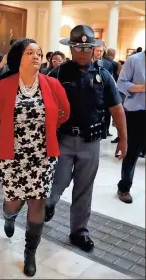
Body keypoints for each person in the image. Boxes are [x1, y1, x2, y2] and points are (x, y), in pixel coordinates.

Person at [0, 38, 70, 277]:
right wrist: (9, 128)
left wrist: (47, 127)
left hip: (43, 156)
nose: (36, 56)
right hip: (12, 156)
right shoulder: (4, 85)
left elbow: (64, 113)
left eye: (38, 52)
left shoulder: (52, 84)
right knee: (14, 201)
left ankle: (30, 252)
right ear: (18, 57)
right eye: (30, 52)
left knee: (37, 201)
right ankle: (9, 216)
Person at [45, 25, 127, 252]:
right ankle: (49, 205)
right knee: (58, 183)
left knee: (84, 189)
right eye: (78, 47)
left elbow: (117, 108)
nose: (83, 52)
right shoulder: (57, 74)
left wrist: (123, 138)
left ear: (93, 49)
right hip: (63, 141)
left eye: (87, 48)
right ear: (71, 49)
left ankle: (79, 231)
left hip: (91, 143)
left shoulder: (103, 75)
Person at [116, 50, 145, 203]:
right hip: (138, 114)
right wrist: (142, 87)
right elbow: (121, 83)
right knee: (132, 153)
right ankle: (124, 187)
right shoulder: (134, 60)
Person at [93, 45, 114, 136]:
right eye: (97, 50)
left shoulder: (107, 64)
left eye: (101, 51)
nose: (99, 53)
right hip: (91, 91)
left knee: (106, 114)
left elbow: (111, 78)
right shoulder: (86, 62)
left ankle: (105, 131)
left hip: (103, 92)